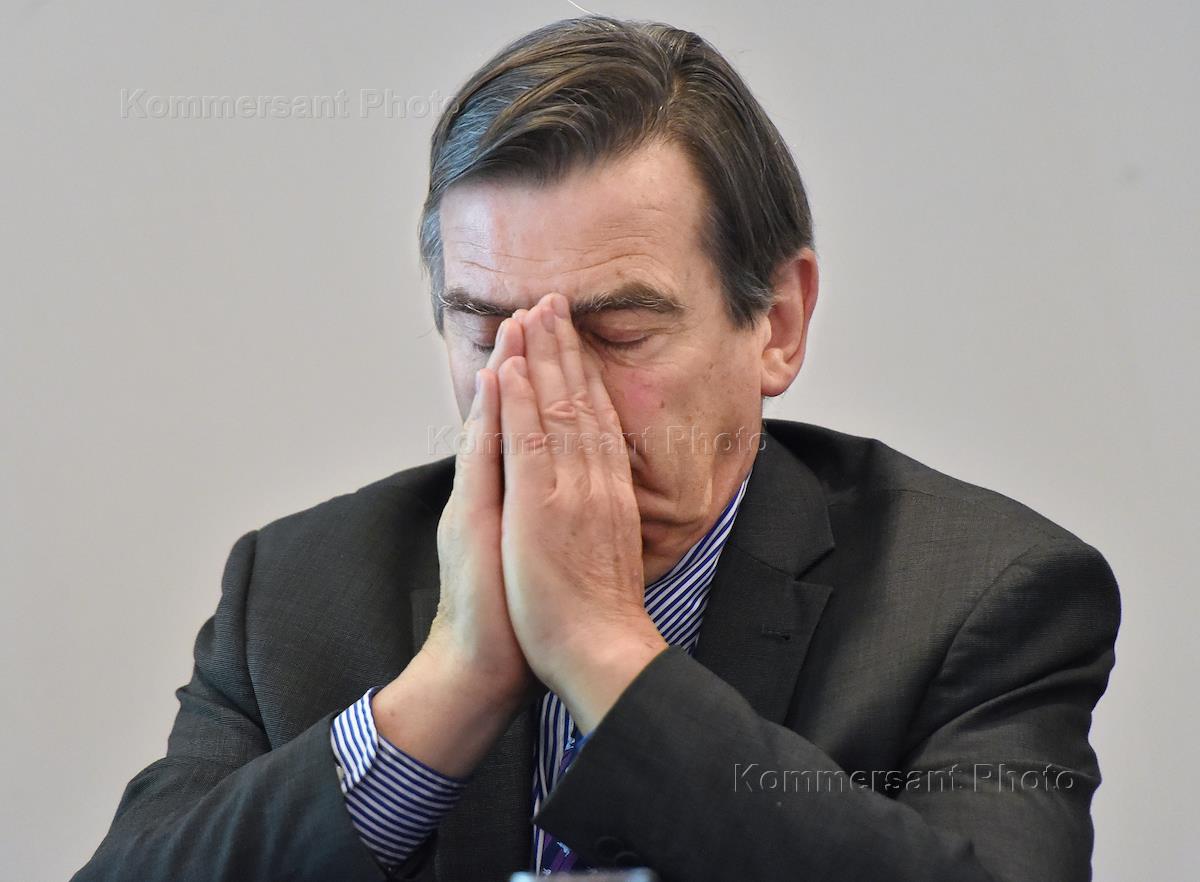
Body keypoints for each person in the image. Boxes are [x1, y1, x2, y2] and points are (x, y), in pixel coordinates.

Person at [71, 15, 1121, 882]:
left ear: (778, 324)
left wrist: (607, 654)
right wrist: (450, 686)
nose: (547, 395)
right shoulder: (296, 591)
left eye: (617, 332)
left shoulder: (982, 597)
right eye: (489, 331)